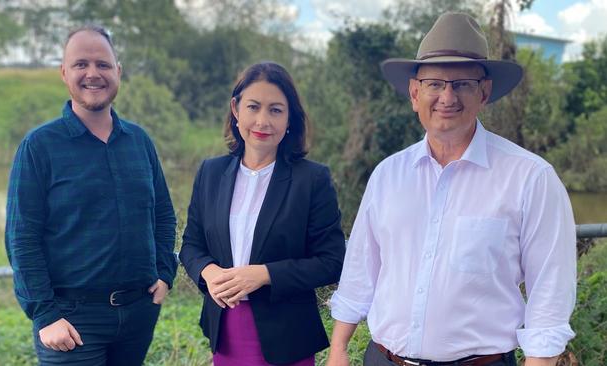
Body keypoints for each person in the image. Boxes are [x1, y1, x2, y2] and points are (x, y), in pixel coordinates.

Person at [326, 12, 576, 366]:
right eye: (434, 84)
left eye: (462, 84)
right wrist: (338, 349)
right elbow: (360, 270)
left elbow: (549, 294)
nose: (447, 96)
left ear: (484, 92)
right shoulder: (388, 175)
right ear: (414, 93)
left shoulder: (530, 178)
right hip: (384, 359)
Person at [5, 25, 177, 365]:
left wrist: (164, 272)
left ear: (118, 72)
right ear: (64, 73)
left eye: (103, 64)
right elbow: (21, 238)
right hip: (71, 320)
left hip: (138, 313)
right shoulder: (39, 147)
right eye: (81, 64)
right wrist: (45, 314)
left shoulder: (139, 141)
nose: (93, 73)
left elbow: (162, 215)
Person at [179, 61, 346, 366]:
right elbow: (191, 244)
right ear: (235, 109)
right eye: (253, 107)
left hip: (287, 336)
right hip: (226, 330)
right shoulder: (211, 172)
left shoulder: (311, 179)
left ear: (289, 119)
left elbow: (332, 261)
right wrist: (209, 271)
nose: (262, 120)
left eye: (276, 110)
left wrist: (265, 274)